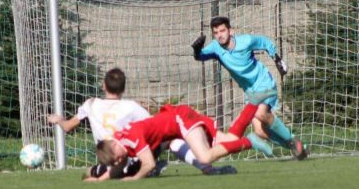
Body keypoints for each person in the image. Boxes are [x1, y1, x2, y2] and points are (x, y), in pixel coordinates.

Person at [47, 68, 226, 179]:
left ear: (103, 86)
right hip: (132, 157)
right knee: (169, 139)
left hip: (110, 160)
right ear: (123, 88)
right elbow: (153, 127)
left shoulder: (90, 104)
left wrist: (58, 120)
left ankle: (141, 169)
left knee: (88, 172)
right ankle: (204, 166)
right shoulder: (131, 107)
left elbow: (69, 127)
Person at [191, 16, 308, 160]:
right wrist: (197, 50)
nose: (220, 35)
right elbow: (201, 56)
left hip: (264, 82)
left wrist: (277, 60)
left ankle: (292, 140)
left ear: (230, 31)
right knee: (259, 131)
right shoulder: (215, 47)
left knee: (261, 114)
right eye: (216, 32)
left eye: (222, 30)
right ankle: (298, 148)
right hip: (250, 91)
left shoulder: (245, 41)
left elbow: (265, 42)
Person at [90, 103, 257, 182]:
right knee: (228, 140)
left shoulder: (131, 136)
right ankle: (255, 103)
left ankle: (250, 141)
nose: (119, 162)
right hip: (175, 128)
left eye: (116, 158)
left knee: (206, 156)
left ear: (113, 145)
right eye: (115, 161)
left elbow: (148, 164)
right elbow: (120, 165)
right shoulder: (120, 142)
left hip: (180, 119)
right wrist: (100, 180)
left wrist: (134, 178)